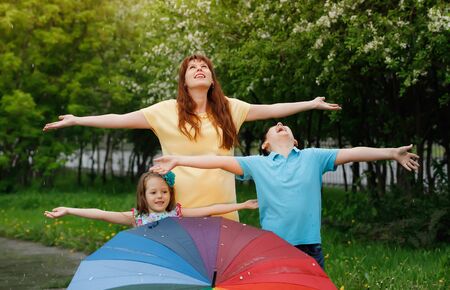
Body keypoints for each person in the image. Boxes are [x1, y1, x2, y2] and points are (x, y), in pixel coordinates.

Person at [43, 54, 340, 221]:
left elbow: (272, 109)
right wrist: (77, 120)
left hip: (223, 207)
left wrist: (311, 103)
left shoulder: (229, 109)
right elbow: (119, 120)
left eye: (204, 67)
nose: (199, 70)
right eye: (192, 68)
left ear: (211, 79)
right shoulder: (165, 111)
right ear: (184, 81)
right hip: (179, 209)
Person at [150, 122, 420, 269]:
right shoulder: (258, 163)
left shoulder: (314, 157)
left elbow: (354, 152)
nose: (281, 124)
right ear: (266, 144)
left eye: (286, 126)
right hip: (274, 247)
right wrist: (179, 159)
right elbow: (216, 161)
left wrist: (391, 153)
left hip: (310, 246)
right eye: (275, 126)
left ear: (296, 141)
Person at [44, 171, 258, 227]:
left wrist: (242, 205)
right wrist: (70, 210)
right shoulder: (137, 217)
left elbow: (209, 209)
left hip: (174, 263)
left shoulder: (177, 213)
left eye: (164, 192)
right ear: (143, 196)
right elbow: (101, 215)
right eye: (153, 193)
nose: (160, 196)